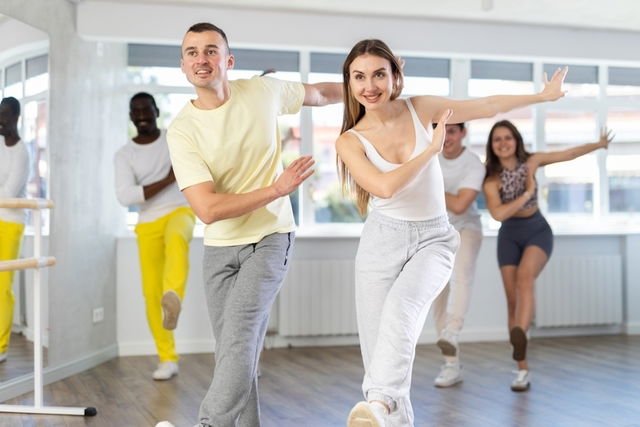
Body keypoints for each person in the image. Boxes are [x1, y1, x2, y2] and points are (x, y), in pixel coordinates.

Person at [336, 39, 568, 427]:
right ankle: (388, 412)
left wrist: (541, 96)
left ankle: (378, 405)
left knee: (402, 312)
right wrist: (430, 152)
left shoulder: (420, 108)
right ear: (349, 82)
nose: (369, 85)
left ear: (396, 76)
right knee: (379, 353)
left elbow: (487, 105)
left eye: (379, 73)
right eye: (359, 77)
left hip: (433, 239)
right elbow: (384, 188)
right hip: (381, 241)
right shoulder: (349, 140)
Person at [156, 23, 341, 427]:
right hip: (220, 246)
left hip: (270, 238)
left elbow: (322, 94)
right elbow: (207, 209)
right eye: (192, 52)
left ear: (228, 61)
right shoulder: (182, 129)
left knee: (239, 341)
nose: (201, 59)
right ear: (183, 66)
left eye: (210, 51)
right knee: (234, 352)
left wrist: (374, 82)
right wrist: (276, 189)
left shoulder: (262, 91)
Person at [482, 120, 612, 392]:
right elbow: (498, 214)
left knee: (525, 278)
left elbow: (568, 154)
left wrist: (598, 145)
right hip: (509, 235)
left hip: (537, 231)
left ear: (516, 140)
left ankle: (520, 333)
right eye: (497, 139)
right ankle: (522, 368)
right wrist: (529, 191)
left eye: (508, 137)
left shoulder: (532, 161)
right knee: (512, 301)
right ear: (492, 146)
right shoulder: (491, 179)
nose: (503, 143)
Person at [114, 92, 196, 381]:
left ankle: (173, 295)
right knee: (151, 295)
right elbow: (125, 197)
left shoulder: (172, 138)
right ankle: (167, 357)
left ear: (156, 110)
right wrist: (168, 178)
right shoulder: (125, 155)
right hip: (147, 221)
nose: (141, 116)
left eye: (146, 110)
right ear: (130, 116)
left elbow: (204, 120)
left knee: (177, 240)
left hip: (180, 211)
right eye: (135, 111)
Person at [430, 121, 485, 388]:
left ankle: (453, 331)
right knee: (437, 295)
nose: (446, 136)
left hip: (466, 227)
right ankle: (451, 366)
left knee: (461, 276)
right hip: (436, 231)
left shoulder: (473, 164)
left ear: (463, 133)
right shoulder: (429, 157)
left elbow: (462, 205)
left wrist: (430, 188)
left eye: (452, 130)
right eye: (441, 129)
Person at [0, 96, 30, 364]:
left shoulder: (22, 152)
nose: (1, 119)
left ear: (16, 118)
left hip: (11, 222)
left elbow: (8, 194)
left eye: (5, 115)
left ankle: (1, 345)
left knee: (3, 284)